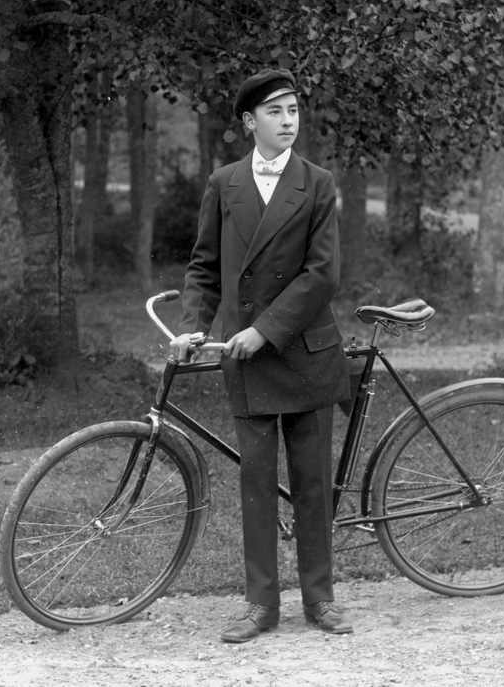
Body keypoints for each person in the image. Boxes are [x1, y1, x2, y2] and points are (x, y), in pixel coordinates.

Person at [169, 68, 354, 643]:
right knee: (256, 485)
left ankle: (320, 599)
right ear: (250, 122)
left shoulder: (317, 183)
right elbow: (204, 268)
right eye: (275, 111)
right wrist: (191, 329)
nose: (288, 121)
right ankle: (260, 605)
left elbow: (322, 275)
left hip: (303, 349)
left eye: (293, 110)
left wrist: (264, 330)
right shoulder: (224, 183)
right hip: (245, 359)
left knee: (312, 482)